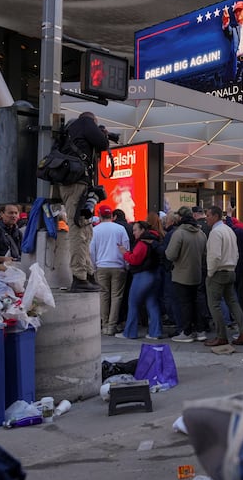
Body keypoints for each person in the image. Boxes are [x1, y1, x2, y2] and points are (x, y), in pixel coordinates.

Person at [55, 111, 109, 293]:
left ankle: (88, 274)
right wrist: (102, 134)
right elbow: (103, 144)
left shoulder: (72, 130)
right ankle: (79, 277)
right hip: (76, 184)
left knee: (86, 230)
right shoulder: (85, 122)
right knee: (79, 230)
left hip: (78, 183)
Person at [203, 205, 243, 347]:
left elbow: (215, 256)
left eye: (208, 215)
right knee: (233, 302)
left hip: (218, 272)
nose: (207, 218)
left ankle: (221, 336)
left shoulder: (216, 232)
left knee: (214, 304)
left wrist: (210, 273)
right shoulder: (229, 230)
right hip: (230, 270)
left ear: (216, 216)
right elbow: (236, 253)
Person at [167, 207, 210, 343]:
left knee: (184, 304)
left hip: (181, 274)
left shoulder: (179, 234)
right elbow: (205, 254)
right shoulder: (201, 234)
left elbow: (171, 254)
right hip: (197, 273)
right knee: (197, 303)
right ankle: (200, 330)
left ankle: (186, 332)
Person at [116, 221, 162, 340]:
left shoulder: (142, 243)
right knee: (152, 304)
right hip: (154, 275)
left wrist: (125, 253)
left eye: (136, 230)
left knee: (133, 304)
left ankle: (130, 332)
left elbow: (135, 259)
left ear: (142, 230)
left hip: (142, 276)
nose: (134, 232)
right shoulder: (154, 240)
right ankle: (155, 332)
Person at [90, 205, 129, 336]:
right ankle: (112, 326)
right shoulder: (120, 229)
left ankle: (105, 324)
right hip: (118, 266)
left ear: (100, 216)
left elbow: (91, 251)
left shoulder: (95, 230)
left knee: (103, 295)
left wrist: (94, 266)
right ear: (112, 216)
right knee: (116, 297)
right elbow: (126, 247)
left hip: (101, 266)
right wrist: (126, 264)